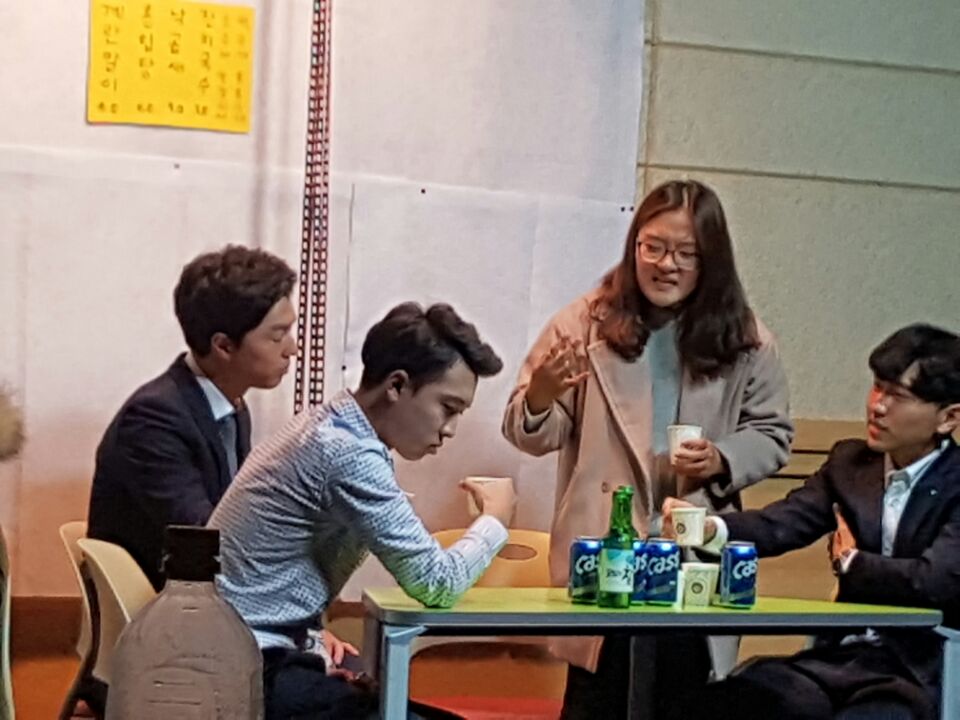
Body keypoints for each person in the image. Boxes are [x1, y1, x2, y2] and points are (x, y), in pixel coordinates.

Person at [501, 179, 793, 718]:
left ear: (711, 261)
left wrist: (723, 457)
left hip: (691, 551)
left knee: (684, 699)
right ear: (634, 245)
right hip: (605, 547)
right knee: (598, 699)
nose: (666, 265)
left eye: (686, 253)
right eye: (653, 246)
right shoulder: (583, 322)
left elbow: (773, 433)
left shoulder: (746, 340)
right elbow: (530, 434)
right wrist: (540, 395)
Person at [209, 301, 516, 720]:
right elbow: (437, 582)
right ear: (397, 385)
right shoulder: (347, 452)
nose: (449, 429)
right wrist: (495, 519)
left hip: (251, 652)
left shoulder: (330, 427)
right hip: (251, 667)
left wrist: (314, 644)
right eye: (448, 408)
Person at [663, 323, 960, 720]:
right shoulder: (851, 464)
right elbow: (783, 523)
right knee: (734, 698)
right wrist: (711, 528)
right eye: (877, 388)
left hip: (917, 669)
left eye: (898, 396)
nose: (878, 406)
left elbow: (934, 581)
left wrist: (852, 562)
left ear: (948, 418)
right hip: (840, 657)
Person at [88, 245, 297, 590]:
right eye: (277, 335)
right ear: (223, 346)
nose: (292, 349)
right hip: (167, 607)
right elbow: (203, 539)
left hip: (208, 595)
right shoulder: (153, 420)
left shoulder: (231, 407)